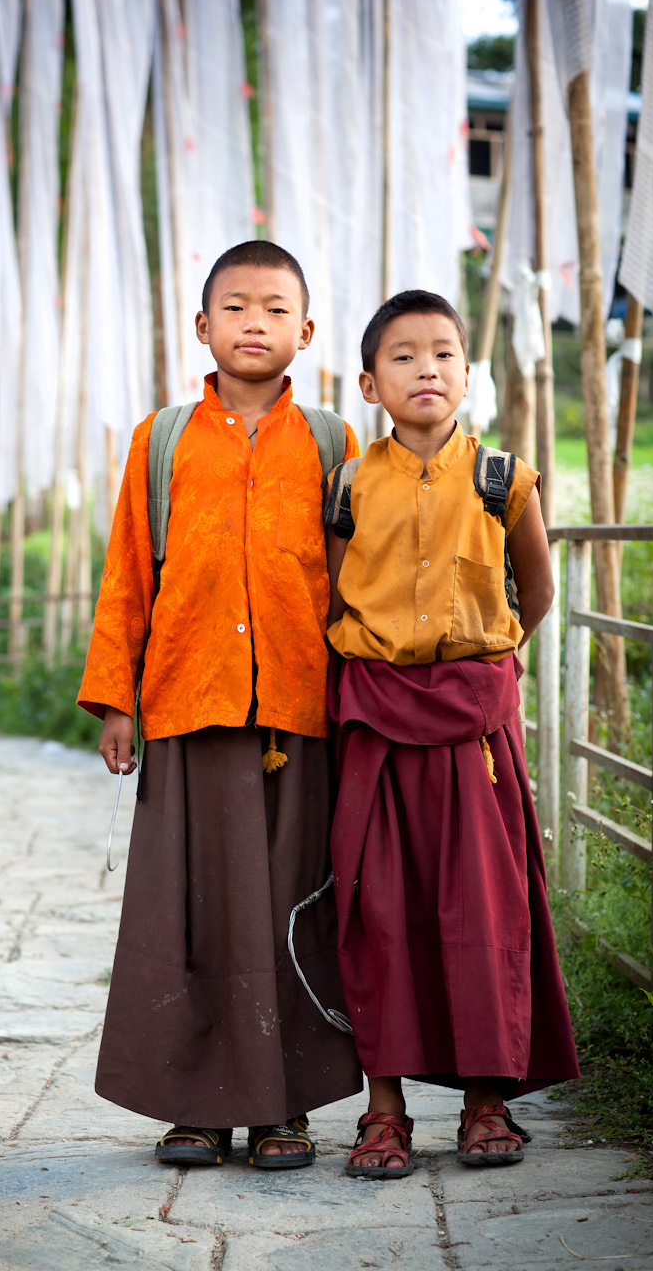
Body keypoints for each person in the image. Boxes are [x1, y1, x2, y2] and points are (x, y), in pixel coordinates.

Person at [79, 240, 364, 1170]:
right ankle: (192, 1105)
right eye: (235, 307)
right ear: (202, 328)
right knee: (187, 912)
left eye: (276, 308)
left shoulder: (332, 442)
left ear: (308, 333)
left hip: (296, 708)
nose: (255, 323)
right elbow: (128, 574)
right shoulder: (162, 439)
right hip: (187, 703)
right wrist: (116, 700)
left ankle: (284, 1105)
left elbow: (358, 583)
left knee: (291, 905)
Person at [321, 289, 580, 1179]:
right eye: (401, 356)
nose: (423, 368)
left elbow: (535, 593)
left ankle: (485, 1102)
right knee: (376, 912)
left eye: (441, 354)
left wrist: (481, 677)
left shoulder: (501, 479)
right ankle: (383, 1110)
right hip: (376, 724)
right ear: (367, 383)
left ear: (469, 376)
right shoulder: (348, 486)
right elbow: (330, 601)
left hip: (474, 728)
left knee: (484, 908)